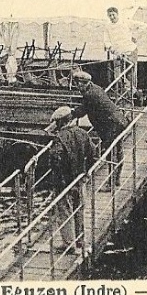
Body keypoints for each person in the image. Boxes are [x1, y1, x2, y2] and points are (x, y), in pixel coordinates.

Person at [45, 106, 97, 252]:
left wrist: (58, 181)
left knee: (65, 211)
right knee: (79, 209)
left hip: (65, 182)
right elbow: (93, 153)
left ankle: (69, 244)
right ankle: (80, 240)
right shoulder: (82, 133)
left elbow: (56, 160)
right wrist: (86, 172)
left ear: (60, 123)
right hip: (80, 179)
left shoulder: (59, 138)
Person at [71, 69, 129, 186]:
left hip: (111, 125)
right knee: (117, 151)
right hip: (118, 120)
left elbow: (83, 110)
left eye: (78, 84)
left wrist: (70, 113)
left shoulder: (90, 94)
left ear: (83, 83)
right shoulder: (95, 88)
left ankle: (111, 183)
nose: (77, 87)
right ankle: (115, 179)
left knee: (111, 153)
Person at [103, 6, 142, 97]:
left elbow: (143, 26)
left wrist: (135, 36)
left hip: (130, 51)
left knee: (131, 75)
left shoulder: (126, 22)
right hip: (118, 53)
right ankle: (122, 95)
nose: (112, 17)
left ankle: (133, 95)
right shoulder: (107, 27)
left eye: (113, 15)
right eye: (110, 16)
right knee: (118, 76)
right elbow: (106, 41)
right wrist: (111, 49)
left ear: (117, 14)